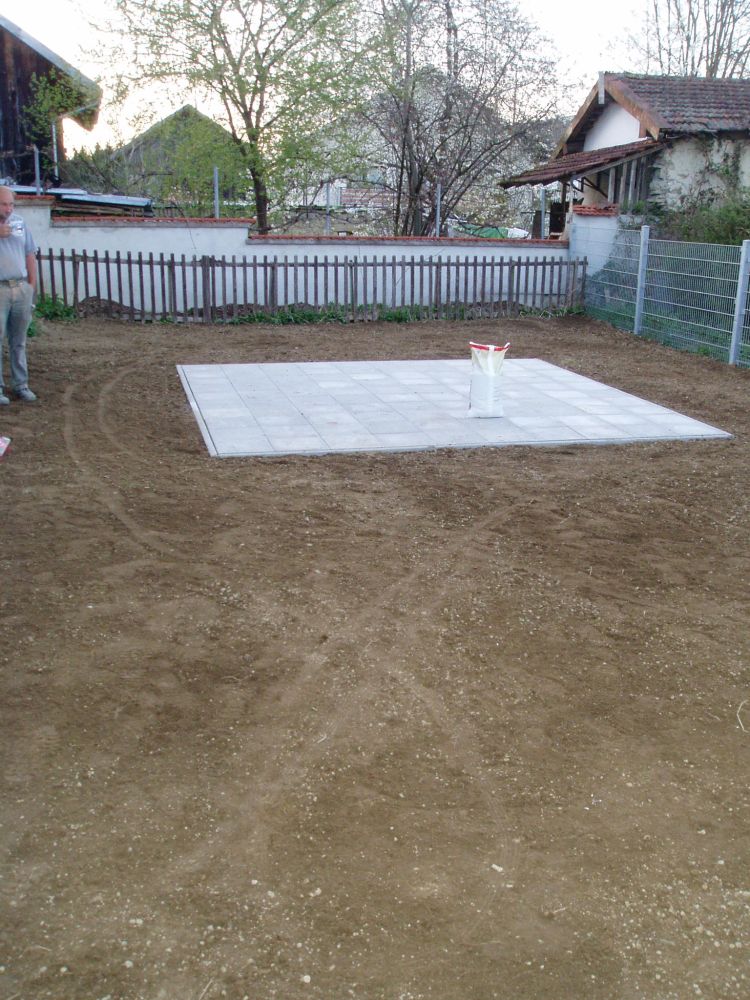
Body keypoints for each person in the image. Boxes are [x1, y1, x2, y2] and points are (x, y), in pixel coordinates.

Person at [0, 185, 38, 404]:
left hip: (20, 287)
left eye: (11, 204)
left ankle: (21, 385)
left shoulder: (20, 223)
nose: (8, 209)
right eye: (4, 204)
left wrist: (31, 285)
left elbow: (30, 253)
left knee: (19, 340)